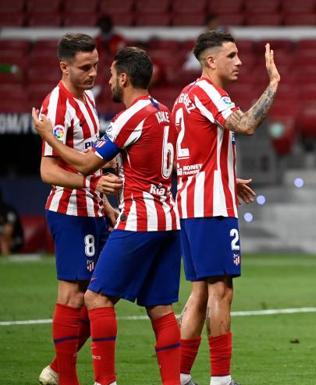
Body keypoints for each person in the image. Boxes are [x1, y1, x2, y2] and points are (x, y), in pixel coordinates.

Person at [33, 47, 181, 385]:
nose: (103, 78)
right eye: (89, 67)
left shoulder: (129, 116)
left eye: (108, 72)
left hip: (139, 220)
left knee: (95, 297)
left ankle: (103, 381)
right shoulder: (164, 112)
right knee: (160, 307)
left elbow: (87, 164)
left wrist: (47, 137)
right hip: (168, 219)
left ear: (125, 78)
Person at [172, 30, 279, 385]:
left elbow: (187, 154)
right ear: (210, 61)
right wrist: (273, 84)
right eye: (231, 56)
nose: (240, 62)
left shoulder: (185, 97)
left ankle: (180, 377)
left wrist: (226, 177)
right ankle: (221, 380)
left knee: (201, 291)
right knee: (222, 290)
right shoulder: (208, 92)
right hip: (210, 207)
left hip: (191, 203)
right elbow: (246, 124)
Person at [35, 33, 122, 385]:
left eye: (96, 66)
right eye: (85, 67)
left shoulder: (85, 99)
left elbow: (87, 159)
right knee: (73, 295)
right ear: (64, 66)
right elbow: (48, 170)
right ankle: (65, 377)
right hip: (68, 212)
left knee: (102, 295)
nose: (93, 74)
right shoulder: (56, 106)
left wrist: (103, 202)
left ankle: (57, 368)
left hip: (91, 209)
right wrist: (91, 186)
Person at [0, 188, 24, 255]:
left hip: (15, 240)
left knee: (2, 239)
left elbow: (8, 232)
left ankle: (6, 262)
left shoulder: (8, 211)